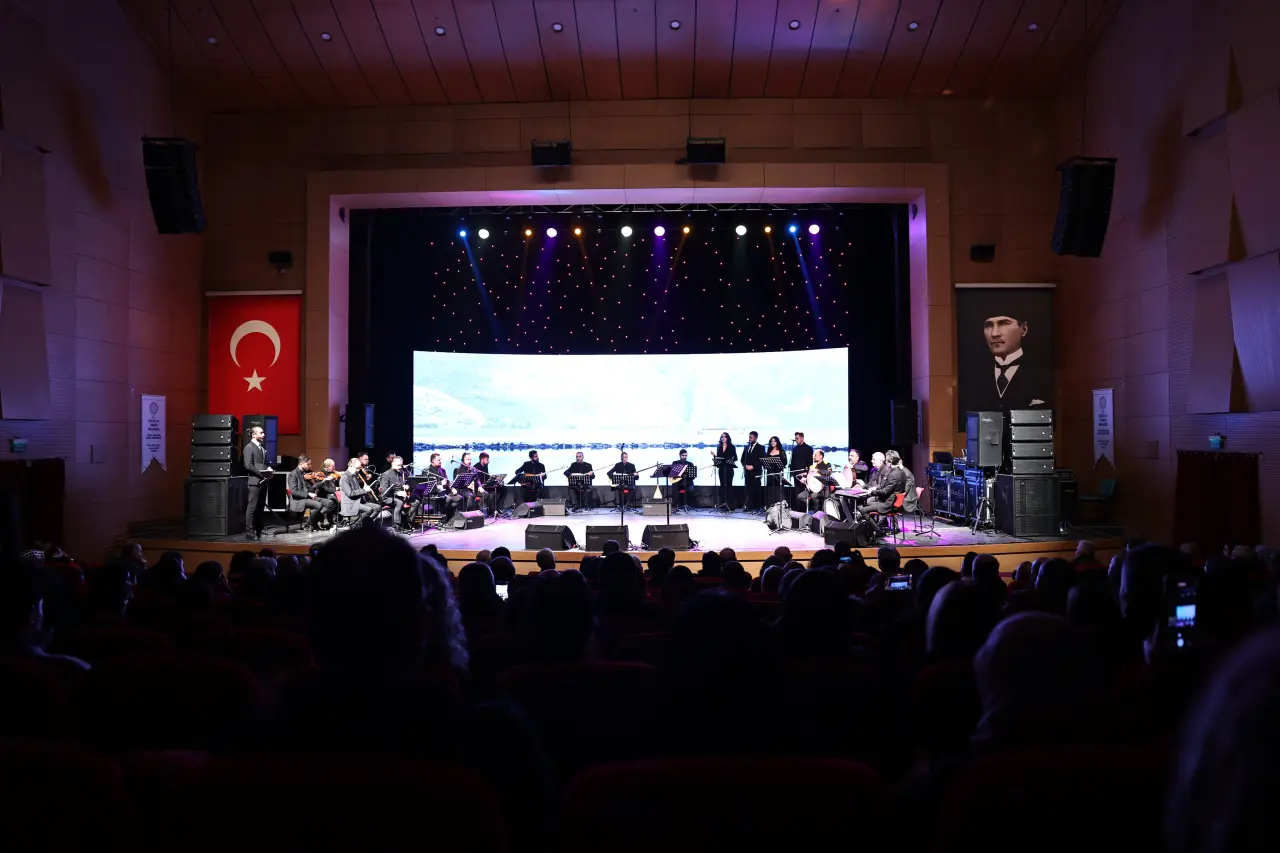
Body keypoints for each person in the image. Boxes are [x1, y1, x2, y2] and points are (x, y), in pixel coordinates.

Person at [970, 308, 1052, 412]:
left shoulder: (1043, 372)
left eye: (1004, 323)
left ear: (1023, 329)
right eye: (988, 325)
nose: (994, 333)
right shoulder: (972, 375)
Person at [287, 454, 335, 532]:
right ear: (302, 463)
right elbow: (294, 492)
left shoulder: (306, 473)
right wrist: (308, 494)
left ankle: (312, 522)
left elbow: (311, 488)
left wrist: (322, 482)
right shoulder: (293, 474)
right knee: (318, 505)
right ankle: (309, 524)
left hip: (308, 497)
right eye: (308, 464)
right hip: (299, 499)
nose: (310, 466)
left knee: (329, 503)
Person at [242, 425, 273, 540]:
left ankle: (258, 529)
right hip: (255, 482)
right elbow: (248, 465)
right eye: (261, 433)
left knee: (260, 507)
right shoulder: (249, 448)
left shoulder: (262, 448)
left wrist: (269, 471)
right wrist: (262, 474)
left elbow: (263, 464)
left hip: (263, 481)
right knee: (252, 507)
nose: (264, 435)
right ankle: (249, 532)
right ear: (254, 434)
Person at [378, 455, 419, 531]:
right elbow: (384, 491)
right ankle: (397, 524)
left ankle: (408, 521)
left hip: (401, 496)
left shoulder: (402, 473)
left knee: (416, 502)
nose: (400, 467)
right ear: (392, 464)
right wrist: (397, 493)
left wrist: (407, 486)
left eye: (401, 465)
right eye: (398, 465)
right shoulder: (386, 474)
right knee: (399, 502)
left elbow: (407, 484)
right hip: (388, 497)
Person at [865, 449, 908, 515]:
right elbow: (886, 487)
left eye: (886, 460)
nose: (885, 462)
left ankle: (875, 522)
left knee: (862, 509)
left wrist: (872, 492)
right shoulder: (902, 472)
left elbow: (885, 491)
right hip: (891, 502)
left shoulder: (892, 473)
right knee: (866, 503)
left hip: (888, 505)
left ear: (890, 461)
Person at [338, 457, 379, 525]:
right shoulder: (345, 477)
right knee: (369, 510)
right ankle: (356, 524)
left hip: (358, 501)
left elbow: (357, 490)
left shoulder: (354, 476)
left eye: (359, 468)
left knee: (378, 508)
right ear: (351, 466)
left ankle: (365, 523)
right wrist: (364, 490)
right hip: (350, 504)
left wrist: (365, 489)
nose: (358, 470)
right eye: (357, 468)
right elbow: (350, 493)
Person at [740, 430, 765, 512]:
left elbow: (761, 460)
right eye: (749, 437)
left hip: (756, 472)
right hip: (747, 473)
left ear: (755, 438)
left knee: (757, 490)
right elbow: (742, 459)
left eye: (751, 437)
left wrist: (753, 466)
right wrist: (745, 466)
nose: (749, 439)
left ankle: (758, 506)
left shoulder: (761, 447)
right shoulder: (746, 447)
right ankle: (749, 505)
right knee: (748, 490)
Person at [712, 432, 737, 510]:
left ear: (727, 438)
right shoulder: (719, 447)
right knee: (722, 486)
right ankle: (722, 504)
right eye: (722, 437)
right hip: (721, 469)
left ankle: (730, 505)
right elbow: (718, 458)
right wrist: (714, 456)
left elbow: (735, 458)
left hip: (729, 469)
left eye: (724, 437)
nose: (723, 438)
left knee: (729, 486)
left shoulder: (732, 447)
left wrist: (731, 459)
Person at [789, 432, 813, 511]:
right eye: (795, 438)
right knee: (797, 492)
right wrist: (792, 472)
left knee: (803, 493)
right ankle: (798, 510)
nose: (796, 440)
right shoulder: (795, 449)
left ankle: (804, 510)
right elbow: (792, 461)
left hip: (804, 475)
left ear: (802, 438)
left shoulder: (808, 448)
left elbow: (810, 463)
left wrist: (807, 474)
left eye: (797, 438)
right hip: (796, 474)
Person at [764, 435, 788, 507]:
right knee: (770, 489)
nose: (772, 442)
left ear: (777, 442)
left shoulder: (781, 451)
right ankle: (770, 506)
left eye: (774, 441)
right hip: (770, 473)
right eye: (771, 441)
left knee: (778, 489)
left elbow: (785, 462)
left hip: (778, 473)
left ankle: (779, 506)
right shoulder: (769, 451)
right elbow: (765, 461)